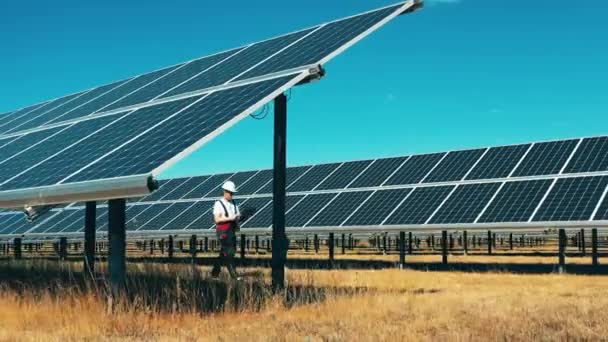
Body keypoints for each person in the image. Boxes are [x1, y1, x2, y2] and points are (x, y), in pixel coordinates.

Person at [211, 181, 241, 279]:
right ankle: (234, 276)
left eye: (233, 193)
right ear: (225, 192)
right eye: (231, 193)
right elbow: (217, 219)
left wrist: (237, 220)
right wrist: (230, 218)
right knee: (229, 252)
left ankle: (214, 273)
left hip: (231, 230)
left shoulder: (234, 204)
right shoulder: (219, 204)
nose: (232, 195)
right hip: (222, 231)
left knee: (225, 252)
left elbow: (236, 217)